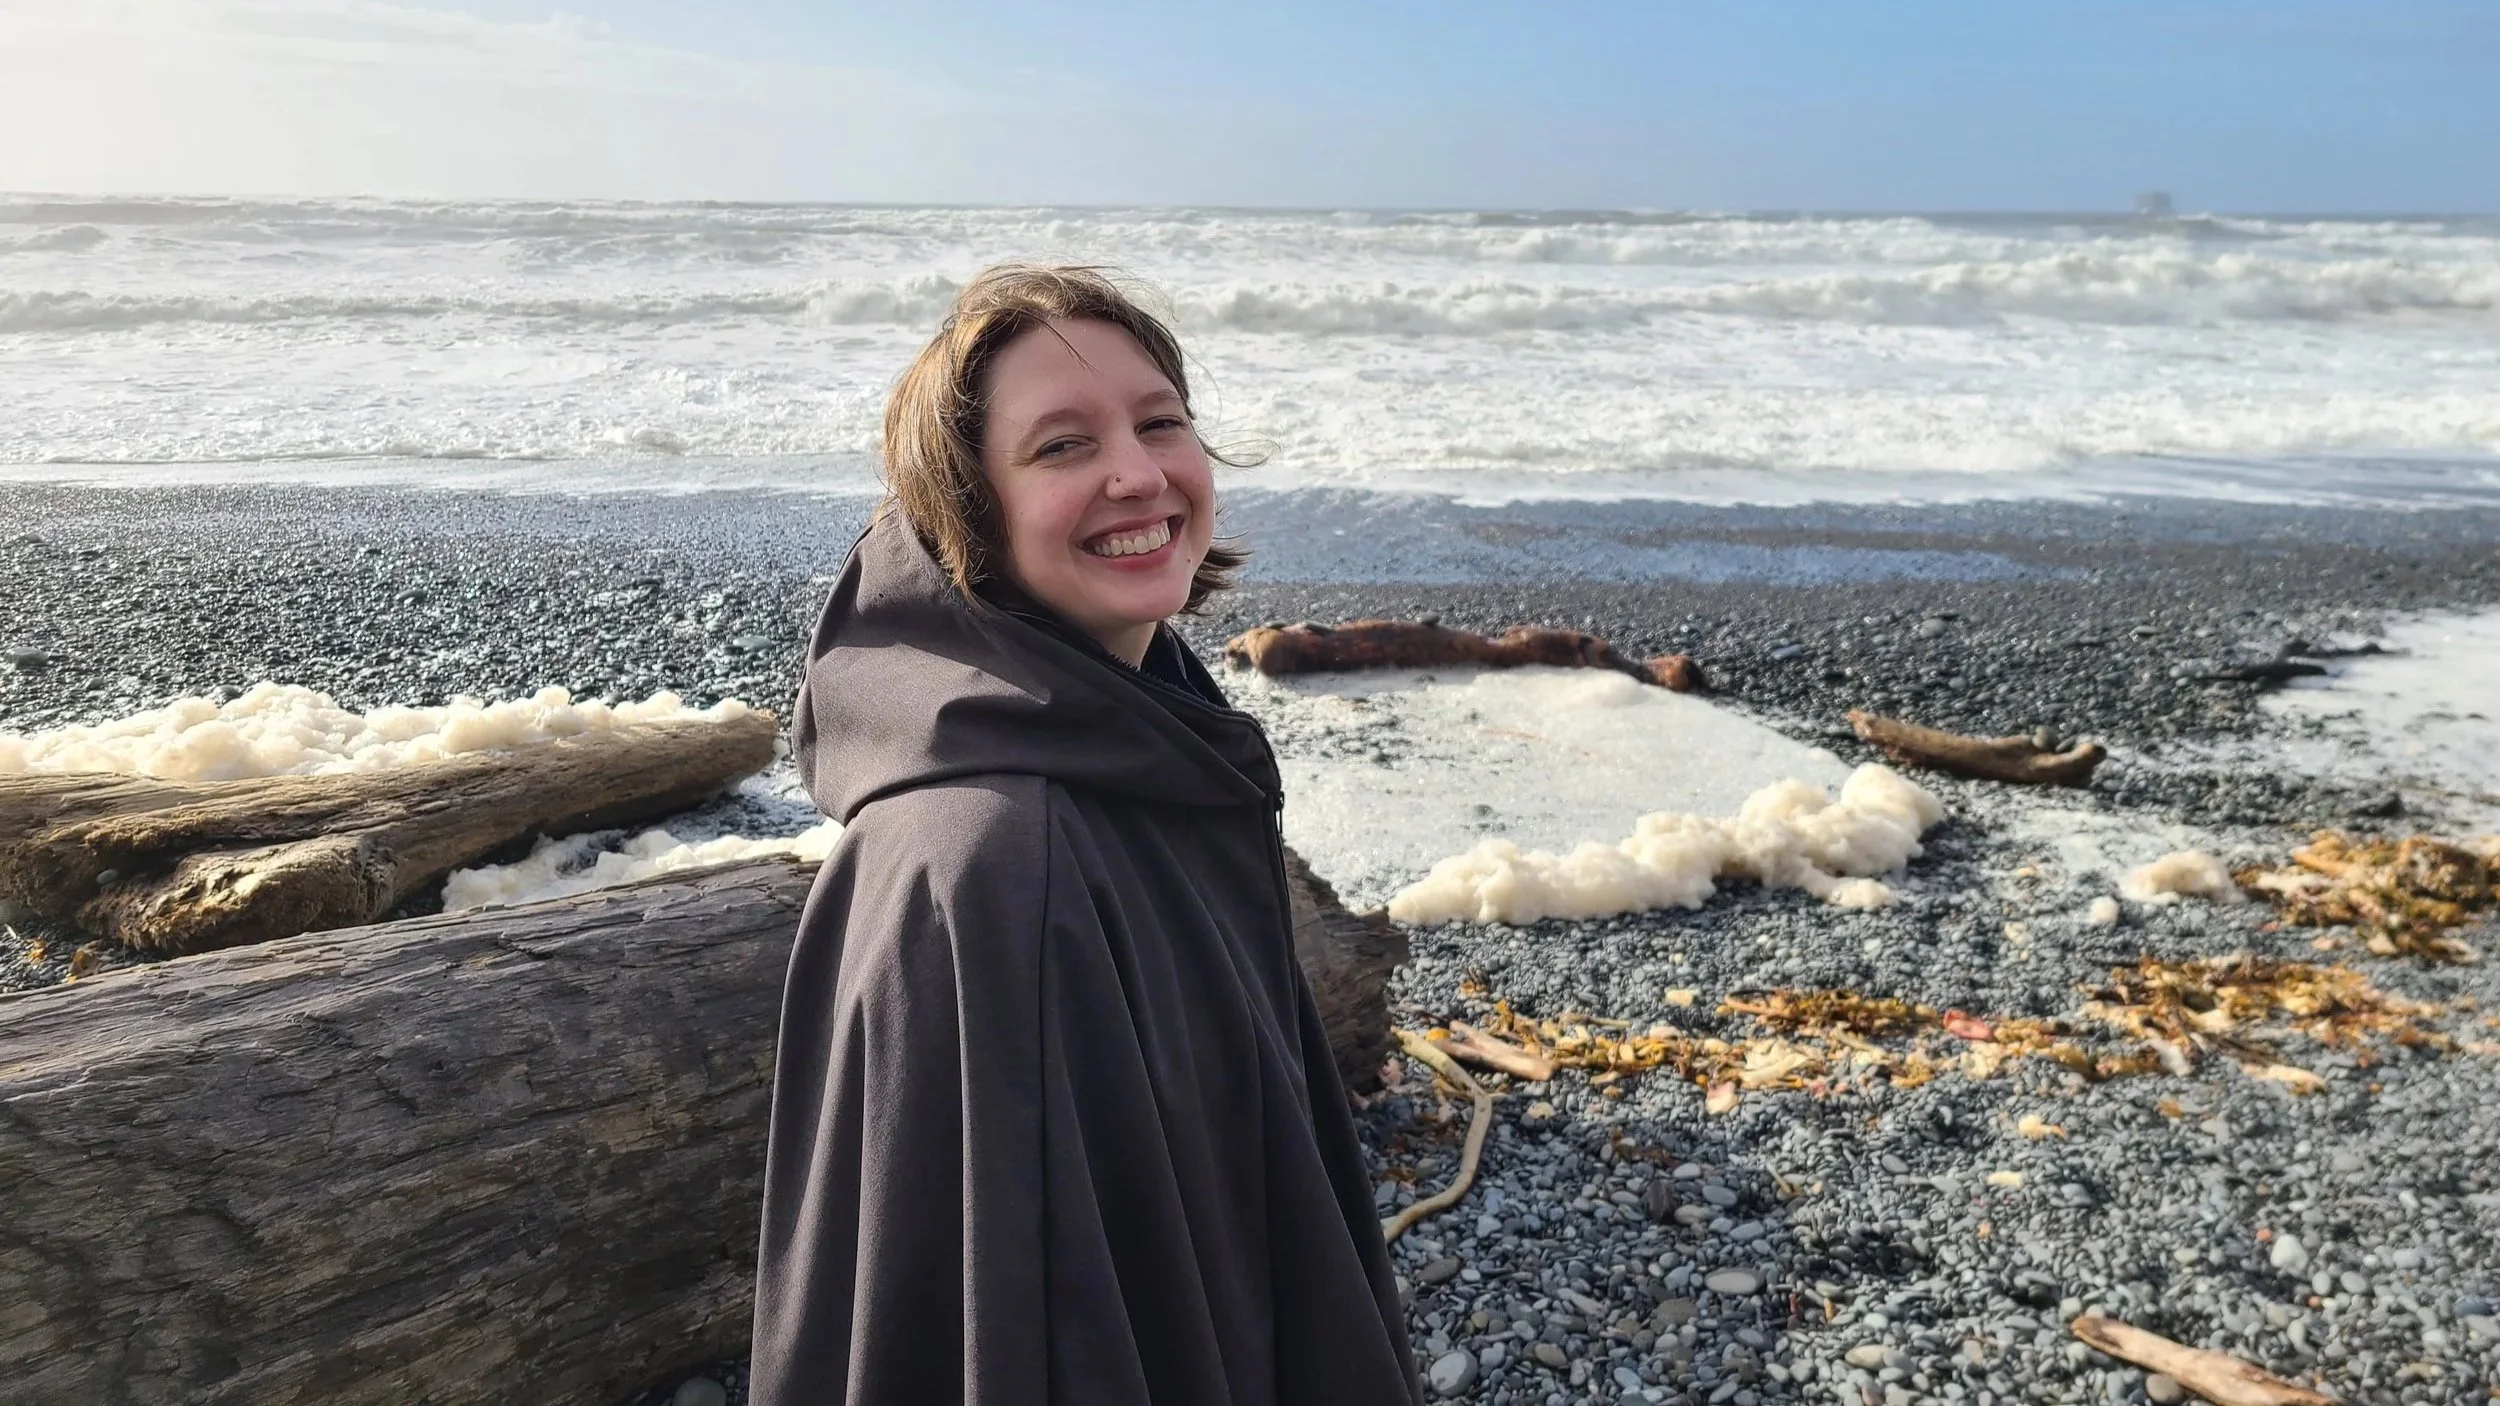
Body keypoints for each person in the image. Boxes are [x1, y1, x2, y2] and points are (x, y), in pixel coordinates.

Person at [751, 264, 1422, 1405]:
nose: (1137, 471)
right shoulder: (994, 857)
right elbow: (1020, 1327)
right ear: (970, 509)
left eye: (1160, 421)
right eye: (1060, 447)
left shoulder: (1147, 736)